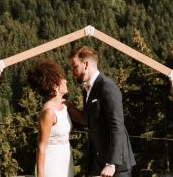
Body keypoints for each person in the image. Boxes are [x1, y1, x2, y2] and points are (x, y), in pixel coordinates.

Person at [69, 45, 136, 177]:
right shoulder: (87, 90)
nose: (73, 72)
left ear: (86, 64)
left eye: (75, 66)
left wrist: (111, 163)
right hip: (98, 163)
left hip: (116, 167)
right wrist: (67, 106)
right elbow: (89, 120)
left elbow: (117, 126)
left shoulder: (107, 87)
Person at [26, 58, 78, 177]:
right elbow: (41, 146)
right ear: (54, 86)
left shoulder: (65, 105)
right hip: (51, 163)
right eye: (61, 80)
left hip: (66, 160)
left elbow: (86, 120)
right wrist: (40, 175)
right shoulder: (48, 112)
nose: (66, 81)